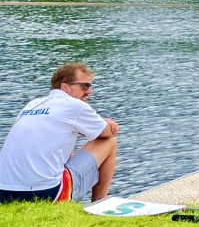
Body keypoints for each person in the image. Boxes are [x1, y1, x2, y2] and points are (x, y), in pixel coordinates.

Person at [0, 63, 118, 205]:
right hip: (46, 193)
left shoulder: (32, 105)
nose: (89, 91)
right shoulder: (74, 105)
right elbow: (107, 132)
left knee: (65, 144)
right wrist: (108, 123)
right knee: (108, 142)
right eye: (85, 86)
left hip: (4, 192)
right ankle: (99, 205)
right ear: (65, 87)